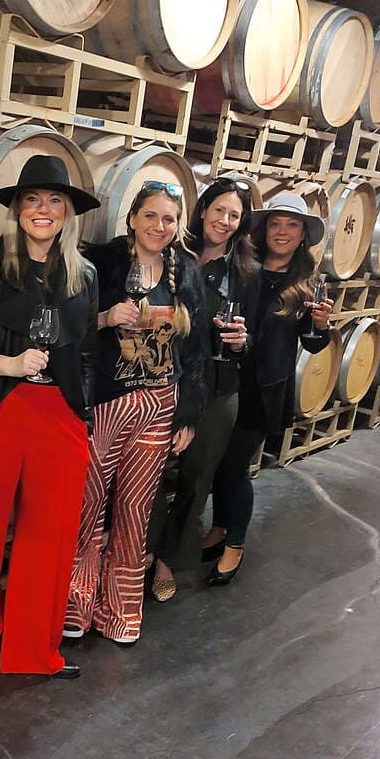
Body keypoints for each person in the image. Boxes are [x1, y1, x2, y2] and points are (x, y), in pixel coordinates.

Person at [0, 154, 100, 683]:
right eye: (32, 200)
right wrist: (6, 364)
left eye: (54, 201)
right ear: (16, 209)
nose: (43, 210)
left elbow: (85, 352)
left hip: (58, 414)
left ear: (67, 212)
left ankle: (33, 648)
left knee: (51, 535)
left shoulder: (85, 273)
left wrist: (81, 414)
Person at [66, 180, 208, 645]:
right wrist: (105, 318)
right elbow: (68, 325)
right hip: (107, 402)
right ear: (132, 218)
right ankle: (74, 606)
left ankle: (120, 613)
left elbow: (197, 350)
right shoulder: (102, 264)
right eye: (151, 216)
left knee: (135, 508)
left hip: (159, 405)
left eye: (169, 219)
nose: (159, 226)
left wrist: (187, 414)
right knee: (87, 505)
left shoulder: (185, 271)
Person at [203, 192, 333, 586]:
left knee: (235, 467)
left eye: (292, 225)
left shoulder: (306, 287)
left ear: (302, 236)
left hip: (264, 389)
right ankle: (221, 526)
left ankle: (235, 545)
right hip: (228, 377)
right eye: (275, 223)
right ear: (263, 229)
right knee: (218, 464)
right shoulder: (244, 268)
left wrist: (322, 325)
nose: (282, 232)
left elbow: (312, 344)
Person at [144, 177, 253, 600]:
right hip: (165, 382)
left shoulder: (245, 273)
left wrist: (244, 342)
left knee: (195, 479)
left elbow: (253, 337)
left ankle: (168, 562)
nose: (224, 221)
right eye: (219, 210)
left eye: (234, 215)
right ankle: (141, 554)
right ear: (203, 208)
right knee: (148, 477)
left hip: (219, 389)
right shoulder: (172, 254)